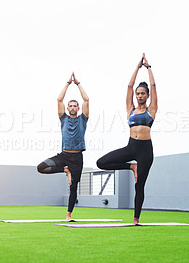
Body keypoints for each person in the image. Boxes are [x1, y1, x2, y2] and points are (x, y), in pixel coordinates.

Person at [96, 53, 157, 225]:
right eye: (138, 93)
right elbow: (129, 86)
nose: (139, 96)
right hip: (131, 147)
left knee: (139, 186)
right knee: (102, 162)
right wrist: (137, 67)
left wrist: (149, 68)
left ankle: (136, 219)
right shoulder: (130, 109)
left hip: (145, 150)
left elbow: (153, 84)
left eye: (142, 94)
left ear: (147, 95)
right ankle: (131, 166)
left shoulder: (151, 110)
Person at [37, 72, 89, 221]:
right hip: (64, 156)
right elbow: (59, 99)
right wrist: (67, 83)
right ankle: (65, 170)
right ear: (67, 108)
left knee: (74, 187)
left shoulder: (83, 120)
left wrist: (78, 84)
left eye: (75, 106)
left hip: (77, 157)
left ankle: (69, 214)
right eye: (70, 105)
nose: (72, 107)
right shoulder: (63, 118)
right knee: (41, 167)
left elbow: (86, 99)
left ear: (78, 109)